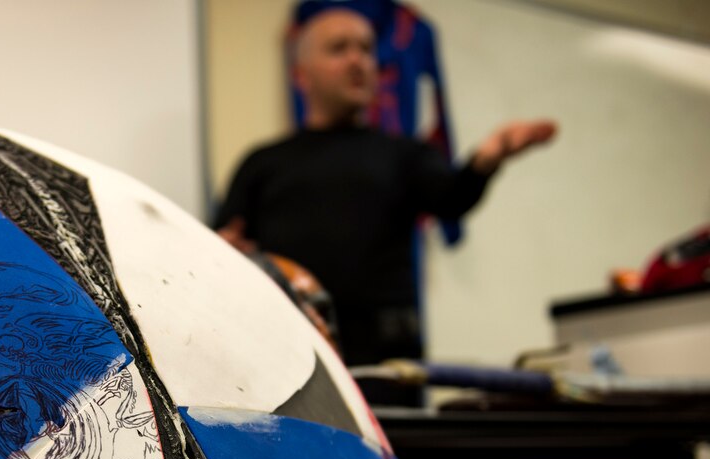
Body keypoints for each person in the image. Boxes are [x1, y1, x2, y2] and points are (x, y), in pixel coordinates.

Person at [215, 5, 556, 405]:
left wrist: (486, 159)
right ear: (301, 75)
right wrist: (228, 253)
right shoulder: (263, 164)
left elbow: (452, 198)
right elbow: (224, 242)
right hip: (290, 359)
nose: (357, 59)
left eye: (366, 48)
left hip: (388, 365)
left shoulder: (406, 155)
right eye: (339, 48)